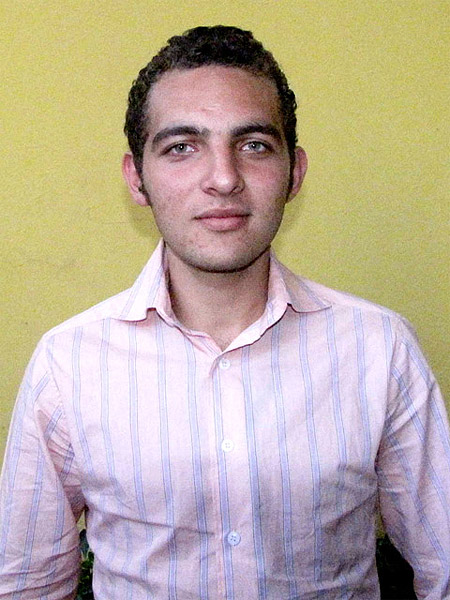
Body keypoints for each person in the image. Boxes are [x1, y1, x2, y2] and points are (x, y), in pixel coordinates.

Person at [0, 25, 449, 600]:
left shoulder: (379, 347)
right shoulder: (67, 363)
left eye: (254, 144)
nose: (223, 178)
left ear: (295, 172)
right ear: (137, 178)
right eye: (181, 147)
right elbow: (28, 585)